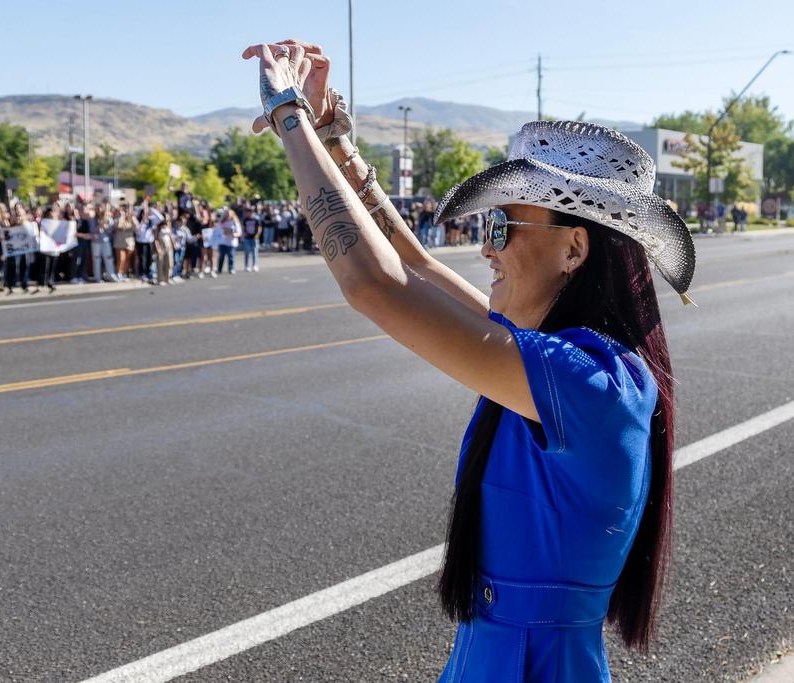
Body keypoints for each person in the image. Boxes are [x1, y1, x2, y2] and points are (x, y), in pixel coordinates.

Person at [245, 40, 695, 680]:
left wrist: (286, 113)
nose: (487, 250)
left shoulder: (593, 382)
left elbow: (375, 284)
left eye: (502, 227)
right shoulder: (555, 364)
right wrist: (330, 137)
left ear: (573, 249)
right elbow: (416, 265)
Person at [112, 204, 137, 282]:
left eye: (127, 211)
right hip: (119, 243)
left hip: (129, 243)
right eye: (124, 211)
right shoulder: (118, 219)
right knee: (121, 259)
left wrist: (132, 217)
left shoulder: (132, 219)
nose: (126, 213)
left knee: (127, 260)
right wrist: (121, 217)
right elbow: (118, 226)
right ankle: (118, 273)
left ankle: (124, 274)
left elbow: (137, 228)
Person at [216, 208, 239, 274]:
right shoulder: (222, 222)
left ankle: (231, 269)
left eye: (229, 214)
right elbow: (219, 230)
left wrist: (231, 233)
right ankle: (219, 269)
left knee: (231, 256)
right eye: (226, 214)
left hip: (231, 242)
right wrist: (227, 231)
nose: (227, 215)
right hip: (223, 242)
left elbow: (238, 232)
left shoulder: (235, 222)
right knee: (221, 256)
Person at [242, 207, 261, 271]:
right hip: (247, 238)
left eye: (249, 212)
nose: (248, 214)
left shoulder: (256, 219)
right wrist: (244, 234)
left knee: (254, 252)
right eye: (247, 212)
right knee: (247, 252)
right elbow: (243, 228)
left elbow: (259, 228)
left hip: (254, 238)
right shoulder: (245, 220)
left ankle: (255, 265)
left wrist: (257, 235)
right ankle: (246, 266)